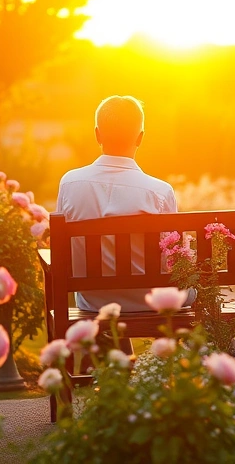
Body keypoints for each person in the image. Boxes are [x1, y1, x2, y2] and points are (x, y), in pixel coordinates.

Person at [56, 95, 196, 313]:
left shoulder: (70, 183)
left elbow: (64, 253)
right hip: (152, 300)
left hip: (94, 302)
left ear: (97, 135)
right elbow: (172, 260)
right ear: (140, 138)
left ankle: (120, 348)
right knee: (201, 287)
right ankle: (224, 347)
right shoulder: (159, 192)